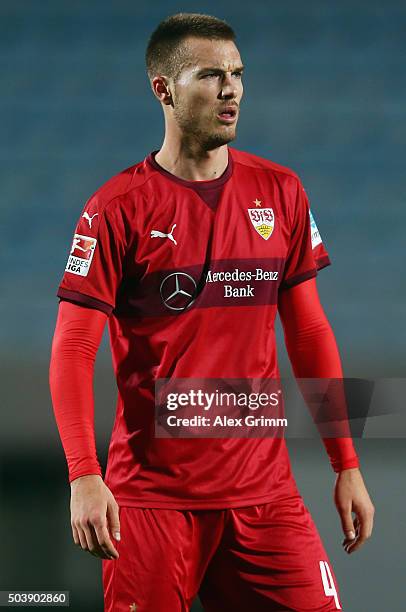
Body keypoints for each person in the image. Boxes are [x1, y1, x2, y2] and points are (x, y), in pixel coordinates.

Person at [49, 12, 375, 611]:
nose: (231, 89)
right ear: (164, 90)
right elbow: (72, 350)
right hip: (151, 502)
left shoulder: (282, 192)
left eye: (238, 74)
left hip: (265, 497)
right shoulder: (117, 208)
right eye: (210, 75)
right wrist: (83, 475)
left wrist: (345, 463)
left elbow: (309, 332)